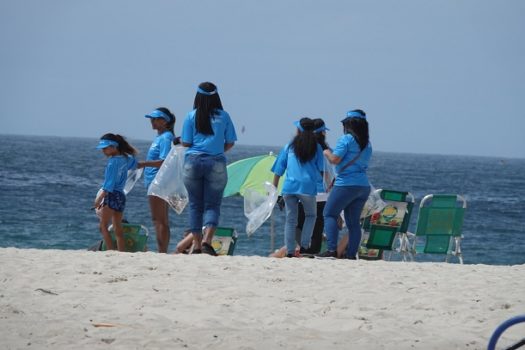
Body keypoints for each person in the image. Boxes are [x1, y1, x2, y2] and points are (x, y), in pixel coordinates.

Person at [181, 82, 237, 255]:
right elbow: (230, 142)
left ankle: (197, 245)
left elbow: (186, 142)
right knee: (213, 205)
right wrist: (217, 150)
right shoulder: (224, 116)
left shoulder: (191, 116)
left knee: (195, 205)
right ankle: (207, 241)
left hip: (193, 162)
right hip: (216, 162)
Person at [317, 109, 372, 259]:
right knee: (353, 222)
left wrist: (326, 152)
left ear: (349, 125)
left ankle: (332, 250)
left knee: (329, 214)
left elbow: (335, 160)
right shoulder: (367, 144)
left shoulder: (346, 139)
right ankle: (351, 255)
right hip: (363, 186)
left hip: (346, 184)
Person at [272, 118, 324, 258]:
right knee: (311, 215)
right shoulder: (316, 147)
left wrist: (274, 191)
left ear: (298, 130)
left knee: (290, 220)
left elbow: (278, 170)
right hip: (307, 188)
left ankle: (289, 251)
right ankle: (304, 247)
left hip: (289, 187)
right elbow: (321, 170)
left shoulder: (289, 146)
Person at [137, 107, 176, 253]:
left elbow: (164, 161)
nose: (152, 122)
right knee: (160, 220)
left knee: (159, 220)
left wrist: (143, 164)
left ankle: (162, 252)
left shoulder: (166, 137)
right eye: (151, 119)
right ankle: (162, 250)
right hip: (155, 182)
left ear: (165, 121)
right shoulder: (160, 137)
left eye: (156, 119)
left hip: (158, 182)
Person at [93, 133, 138, 251]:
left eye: (105, 148)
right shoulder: (125, 159)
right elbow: (134, 163)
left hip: (112, 195)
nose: (103, 151)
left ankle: (110, 250)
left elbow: (109, 182)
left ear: (114, 147)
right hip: (121, 196)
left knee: (103, 226)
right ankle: (121, 251)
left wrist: (98, 199)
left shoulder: (112, 162)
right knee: (118, 227)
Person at [295, 118, 331, 254]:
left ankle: (304, 248)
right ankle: (312, 252)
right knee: (317, 227)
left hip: (304, 191)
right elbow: (326, 173)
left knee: (298, 224)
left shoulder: (302, 147)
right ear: (322, 133)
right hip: (322, 193)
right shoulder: (325, 149)